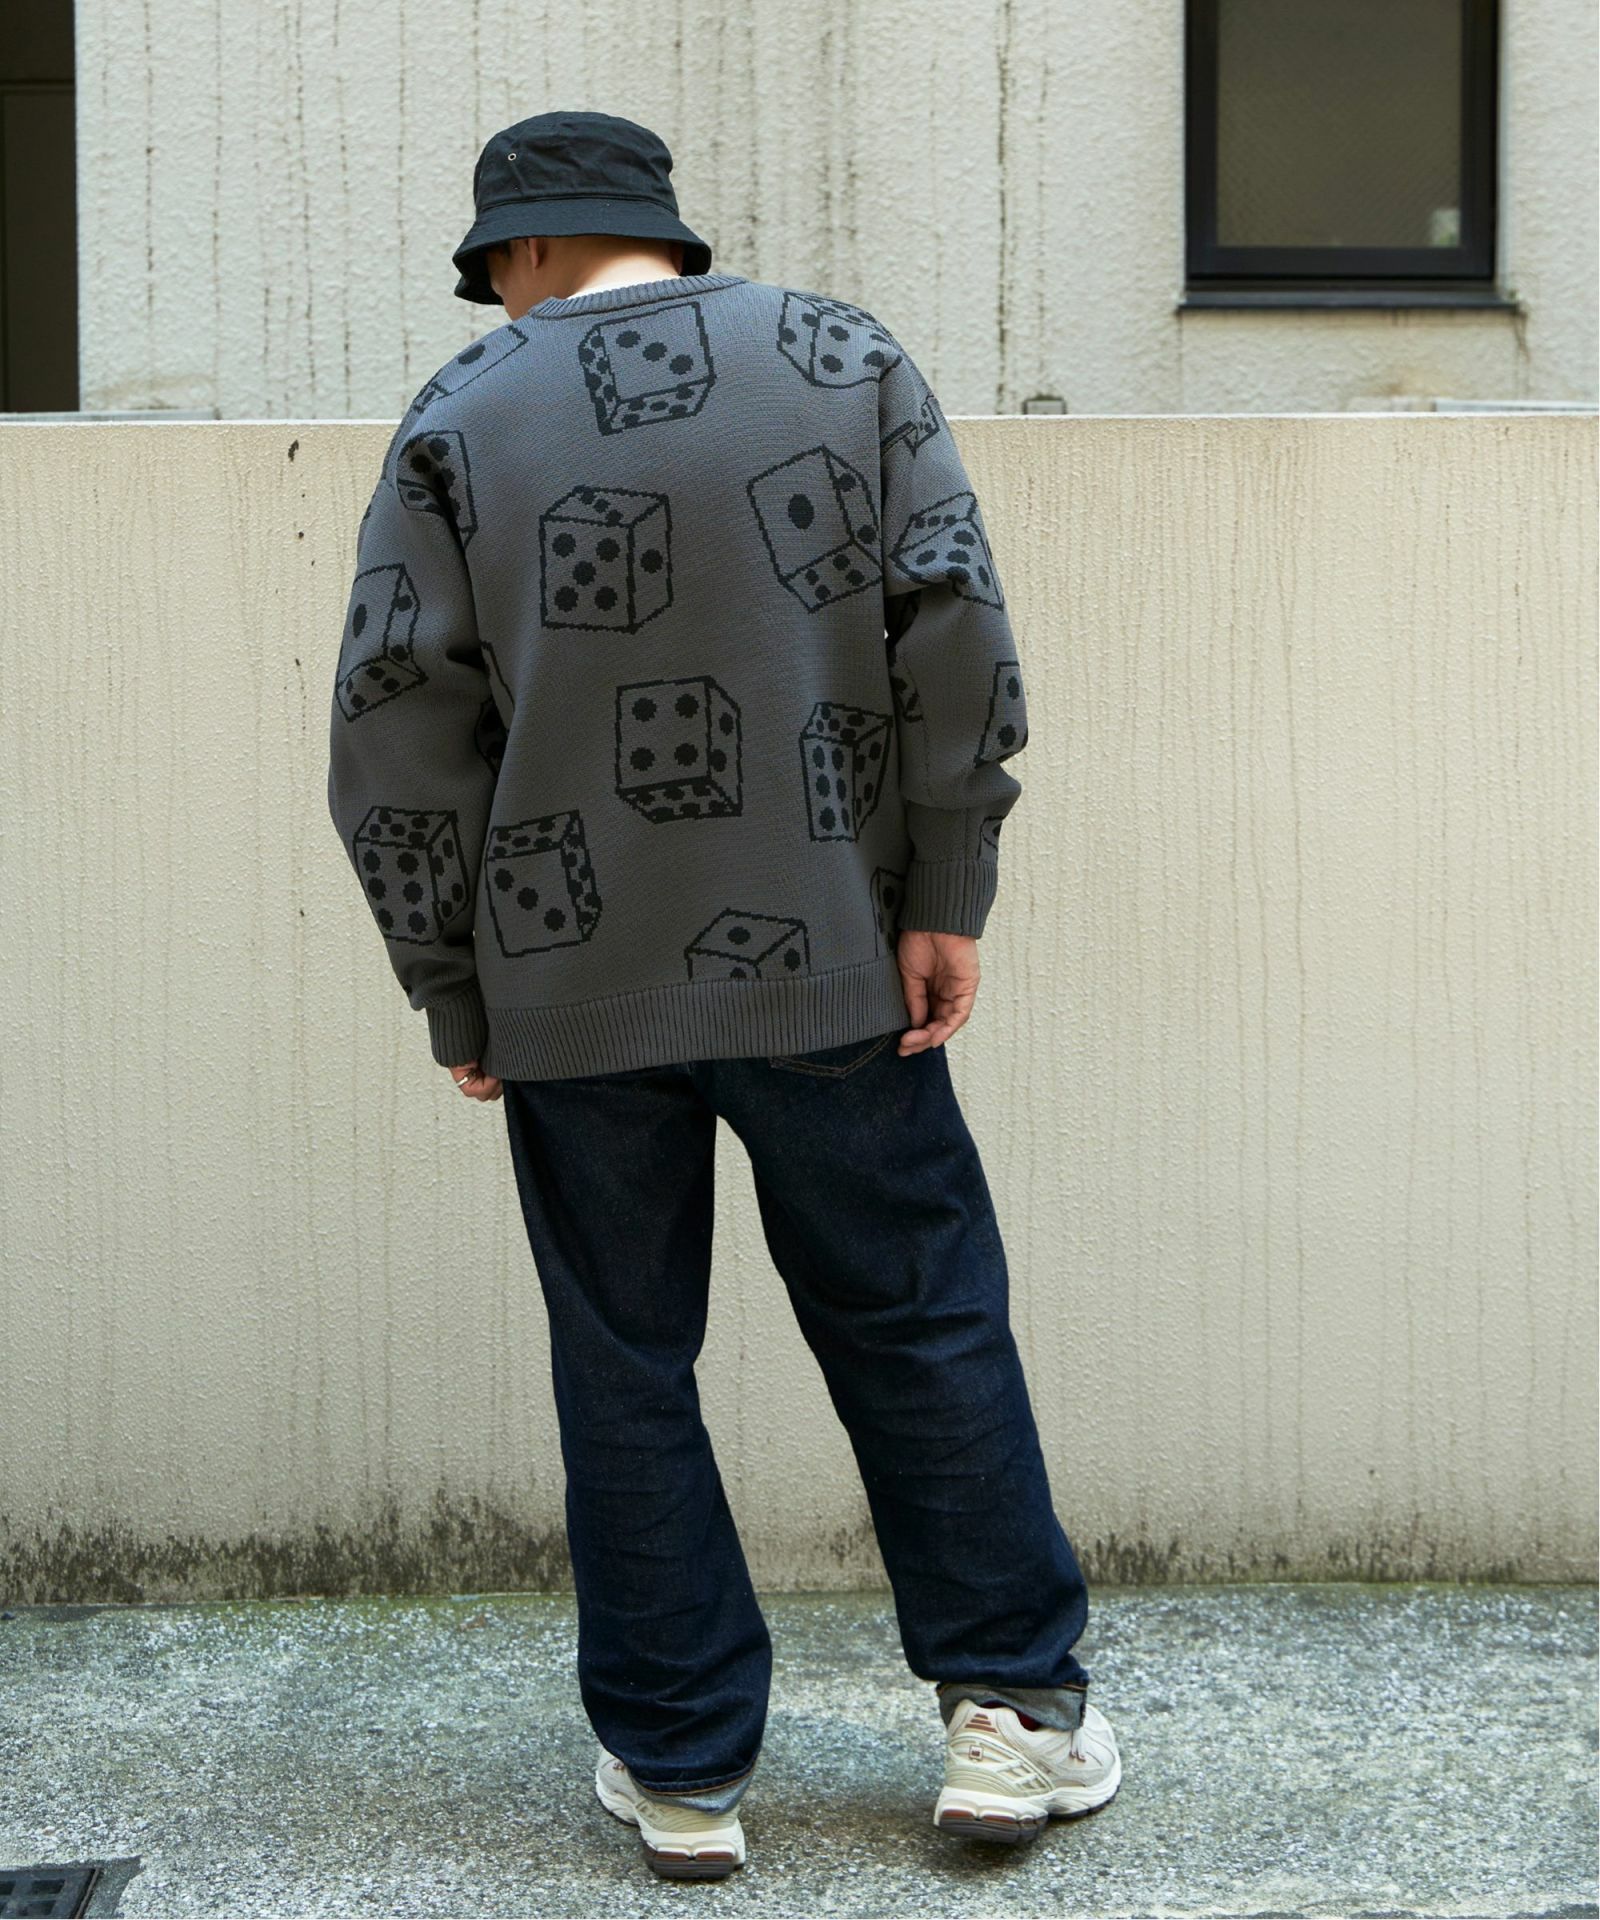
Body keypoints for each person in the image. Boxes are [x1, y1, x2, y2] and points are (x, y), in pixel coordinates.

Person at [326, 108, 1120, 1881]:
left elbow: (393, 726)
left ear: (526, 252)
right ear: (661, 231)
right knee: (917, 1318)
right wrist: (947, 885)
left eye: (495, 270)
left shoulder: (463, 411)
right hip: (829, 949)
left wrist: (452, 981)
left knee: (628, 1363)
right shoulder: (842, 358)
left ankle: (683, 1769)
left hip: (571, 979)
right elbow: (955, 632)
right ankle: (1011, 1719)